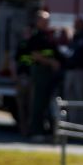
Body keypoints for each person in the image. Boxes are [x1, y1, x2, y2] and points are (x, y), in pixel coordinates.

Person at [25, 9, 61, 139]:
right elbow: (35, 55)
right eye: (45, 20)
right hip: (40, 72)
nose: (47, 23)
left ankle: (46, 130)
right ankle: (36, 131)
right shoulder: (36, 36)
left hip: (49, 74)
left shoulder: (48, 36)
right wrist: (50, 62)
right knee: (38, 103)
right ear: (38, 21)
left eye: (48, 20)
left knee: (47, 103)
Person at [61, 17, 83, 126]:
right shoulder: (74, 37)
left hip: (81, 71)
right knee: (70, 98)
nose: (75, 25)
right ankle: (72, 123)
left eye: (77, 23)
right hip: (70, 71)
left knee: (81, 97)